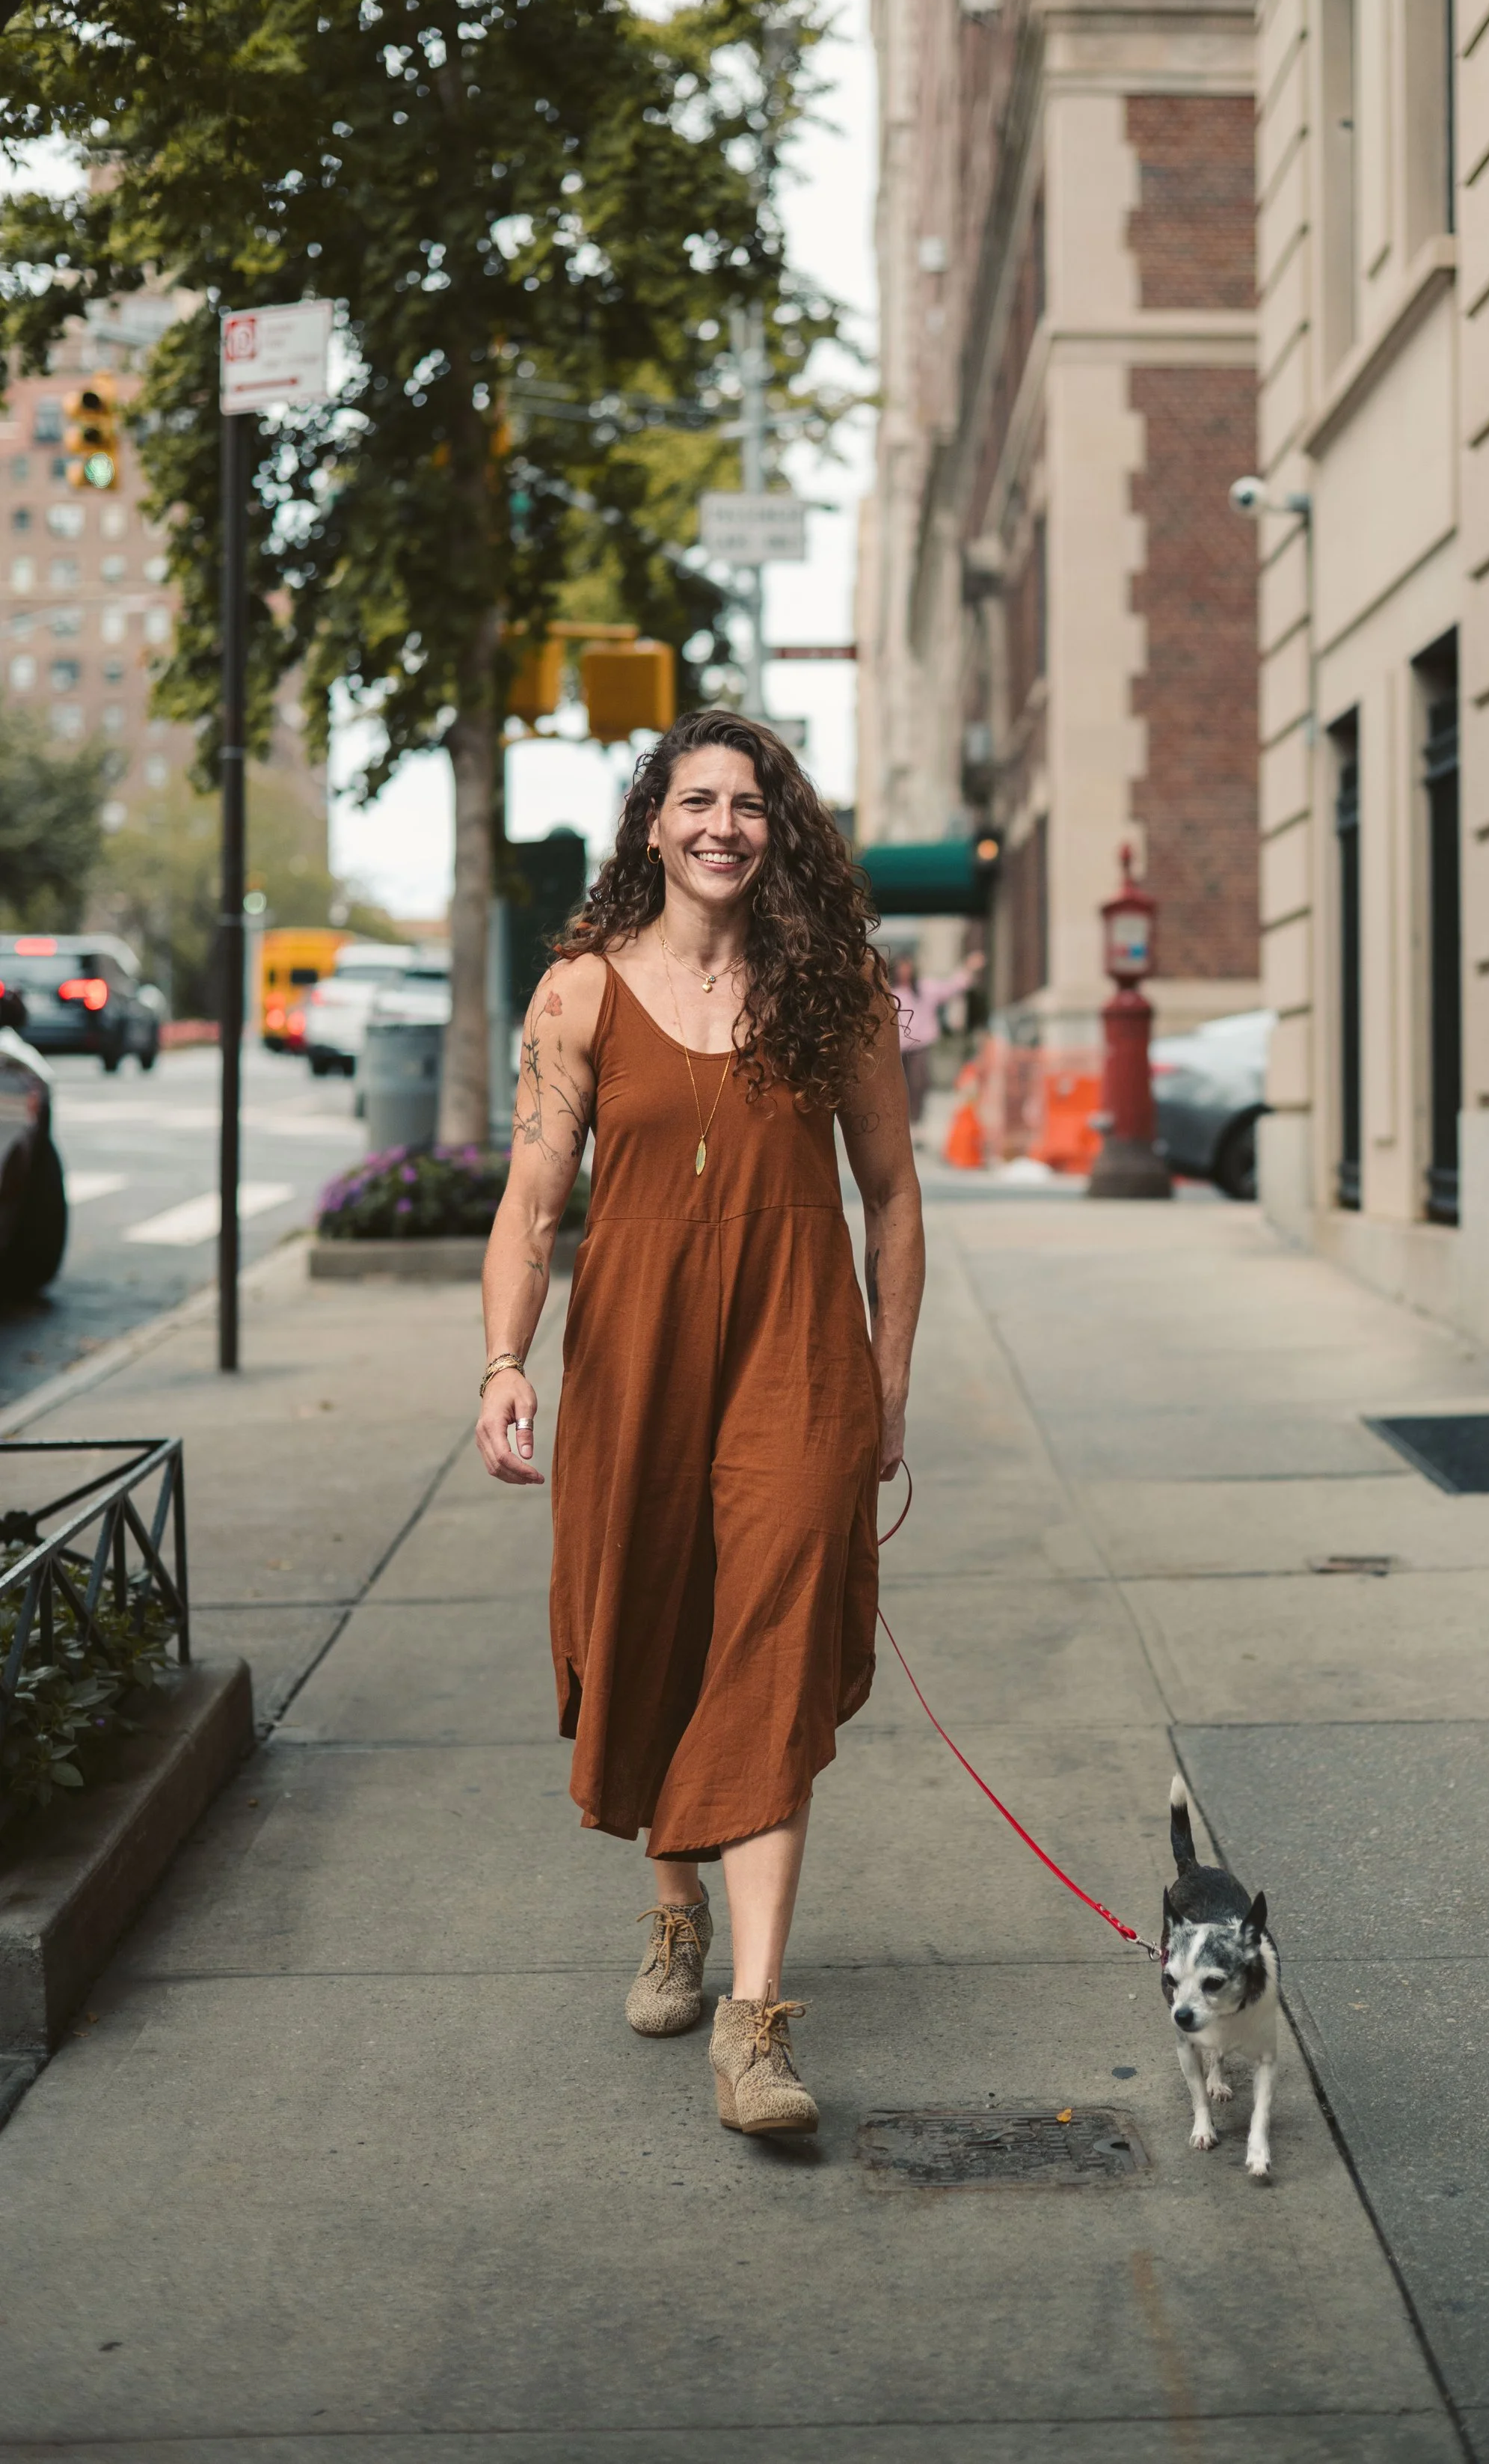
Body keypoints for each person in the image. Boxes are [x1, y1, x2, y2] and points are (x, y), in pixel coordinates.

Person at [474, 708, 924, 2136]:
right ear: (653, 826)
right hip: (637, 1358)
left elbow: (896, 1198)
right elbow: (534, 1202)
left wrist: (889, 1382)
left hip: (797, 1362)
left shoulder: (836, 988)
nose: (723, 824)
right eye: (696, 801)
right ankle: (676, 1914)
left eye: (750, 802)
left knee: (773, 1650)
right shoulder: (580, 993)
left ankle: (757, 2025)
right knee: (647, 1626)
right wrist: (504, 1359)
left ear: (777, 828)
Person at [889, 947, 984, 1124]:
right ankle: (899, 1121)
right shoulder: (889, 992)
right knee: (897, 1087)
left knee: (918, 1086)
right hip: (895, 1048)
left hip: (919, 1047)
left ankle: (916, 1123)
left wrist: (969, 968)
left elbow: (951, 986)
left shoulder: (924, 989)